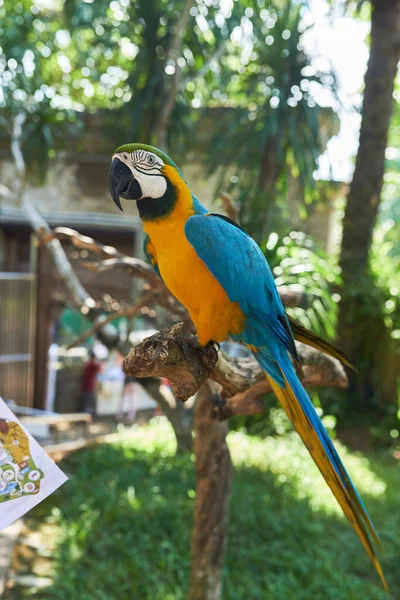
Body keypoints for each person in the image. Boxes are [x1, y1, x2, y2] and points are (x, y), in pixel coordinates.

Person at [81, 350, 102, 416]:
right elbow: (100, 368)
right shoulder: (93, 364)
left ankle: (85, 416)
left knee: (85, 402)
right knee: (88, 403)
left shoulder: (87, 364)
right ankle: (87, 417)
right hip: (89, 386)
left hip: (85, 386)